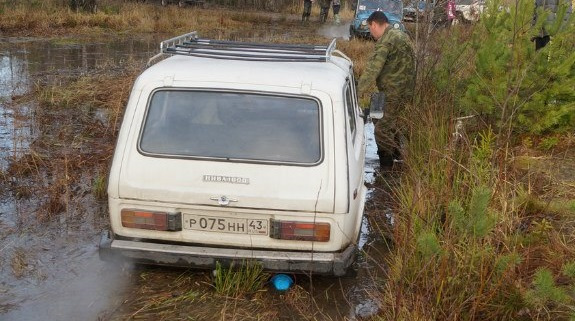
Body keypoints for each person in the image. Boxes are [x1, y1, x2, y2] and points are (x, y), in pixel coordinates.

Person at [357, 11, 416, 167]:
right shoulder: (401, 35)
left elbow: (372, 69)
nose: (371, 33)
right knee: (389, 122)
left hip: (392, 93)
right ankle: (398, 156)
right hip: (405, 91)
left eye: (370, 29)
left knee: (381, 130)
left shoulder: (386, 41)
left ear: (375, 24)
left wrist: (356, 92)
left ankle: (386, 167)